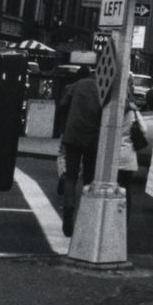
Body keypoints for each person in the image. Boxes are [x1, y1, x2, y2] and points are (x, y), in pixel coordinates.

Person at [58, 66, 103, 237]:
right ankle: (84, 214)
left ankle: (68, 210)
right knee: (89, 177)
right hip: (92, 136)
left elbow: (62, 105)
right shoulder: (102, 88)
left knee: (71, 175)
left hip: (73, 133)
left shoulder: (76, 85)